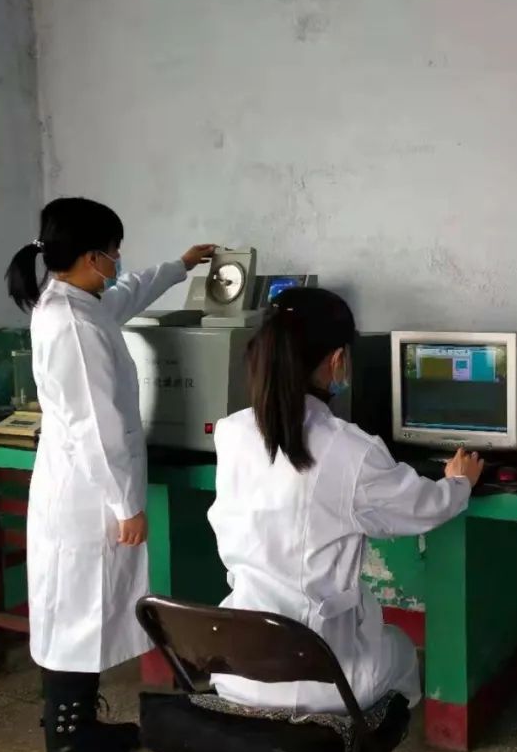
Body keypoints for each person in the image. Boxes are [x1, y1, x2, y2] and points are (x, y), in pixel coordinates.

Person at [5, 196, 215, 752]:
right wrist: (127, 505)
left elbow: (127, 296)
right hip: (89, 495)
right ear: (92, 255)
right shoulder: (73, 325)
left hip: (81, 488)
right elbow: (97, 427)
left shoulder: (75, 302)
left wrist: (179, 267)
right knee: (75, 624)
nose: (119, 261)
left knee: (81, 621)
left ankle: (82, 732)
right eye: (115, 251)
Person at [207, 287, 484, 715]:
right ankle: (353, 742)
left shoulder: (232, 432)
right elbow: (422, 507)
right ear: (337, 360)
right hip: (319, 676)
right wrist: (459, 483)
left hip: (236, 664)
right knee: (402, 651)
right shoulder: (350, 451)